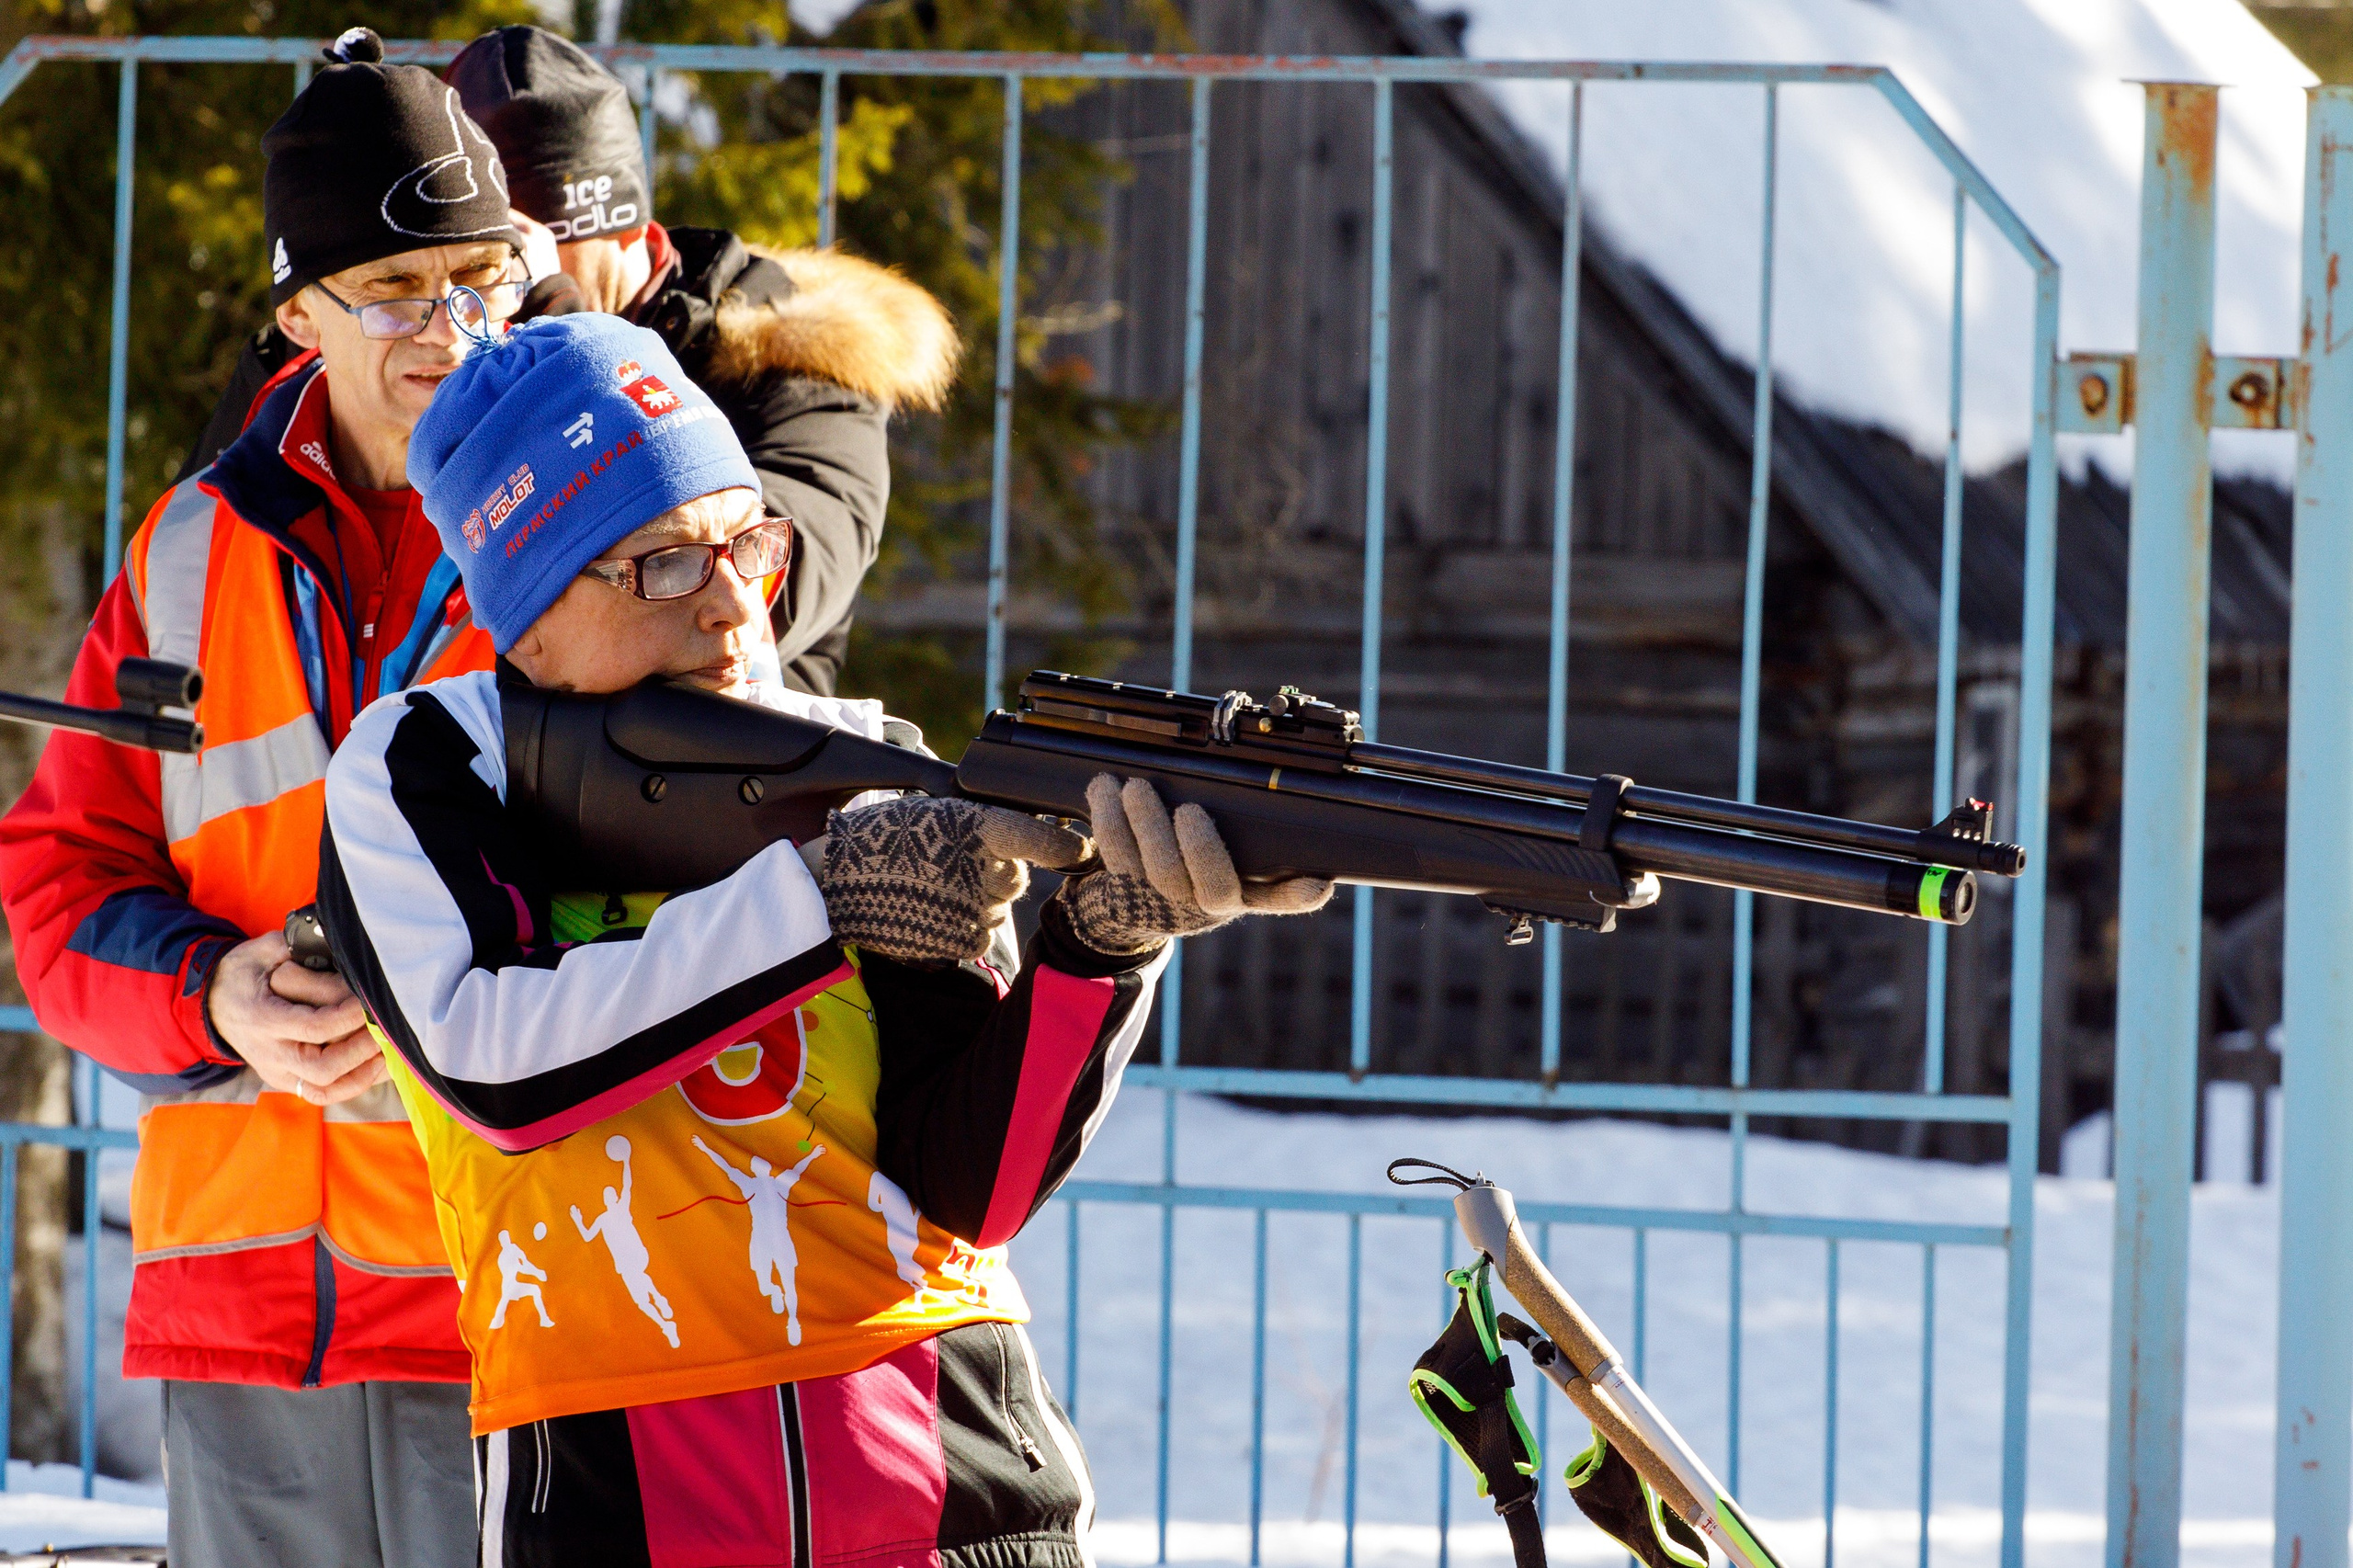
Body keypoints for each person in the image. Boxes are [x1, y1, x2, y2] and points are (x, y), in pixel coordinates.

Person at [313, 312, 1331, 1562]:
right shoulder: (426, 767)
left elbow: (971, 1190)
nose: (738, 605)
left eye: (750, 541)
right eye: (665, 564)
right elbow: (494, 1063)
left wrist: (1102, 946)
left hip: (960, 1482)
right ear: (526, 618)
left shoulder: (866, 773)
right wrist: (816, 898)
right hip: (618, 1500)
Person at [0, 28, 515, 1567]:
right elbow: (56, 896)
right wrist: (217, 996)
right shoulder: (180, 552)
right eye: (400, 290)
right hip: (240, 1315)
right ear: (301, 315)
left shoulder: (579, 521)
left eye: (482, 277)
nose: (453, 326)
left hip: (513, 1307)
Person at [179, 22, 956, 697]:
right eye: (438, 263)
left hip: (729, 791)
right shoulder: (416, 364)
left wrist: (555, 318)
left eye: (492, 264)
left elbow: (752, 599)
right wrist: (325, 323)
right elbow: (213, 546)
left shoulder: (800, 368)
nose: (478, 313)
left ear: (638, 240)